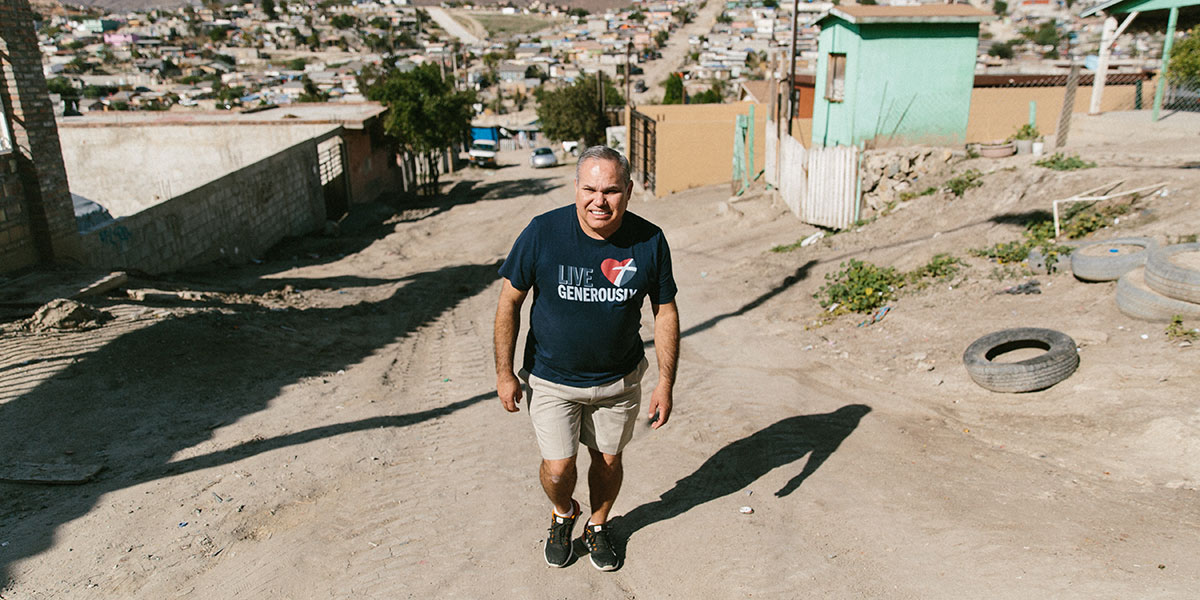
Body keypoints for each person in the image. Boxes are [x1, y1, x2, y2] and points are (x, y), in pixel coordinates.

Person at [494, 145, 679, 571]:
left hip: (618, 381)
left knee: (608, 461)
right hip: (552, 378)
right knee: (559, 470)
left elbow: (664, 310)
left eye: (611, 190)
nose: (600, 200)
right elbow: (509, 302)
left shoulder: (649, 240)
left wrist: (665, 382)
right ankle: (564, 514)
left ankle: (598, 524)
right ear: (575, 187)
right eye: (590, 189)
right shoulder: (543, 232)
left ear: (628, 191)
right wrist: (505, 373)